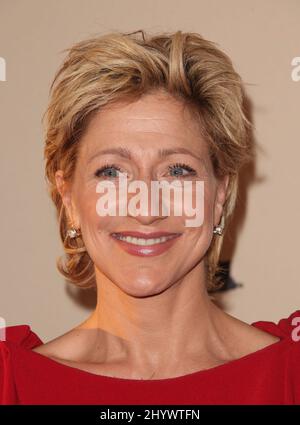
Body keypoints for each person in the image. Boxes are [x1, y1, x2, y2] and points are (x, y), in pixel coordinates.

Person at [1, 29, 299, 405]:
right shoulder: (13, 384)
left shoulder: (290, 375)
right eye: (111, 172)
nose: (145, 209)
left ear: (219, 194)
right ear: (69, 198)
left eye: (177, 171)